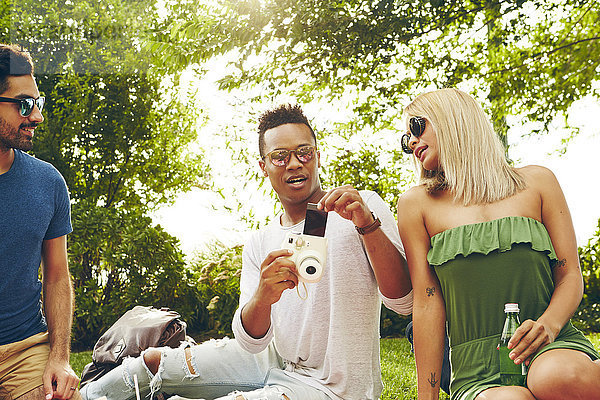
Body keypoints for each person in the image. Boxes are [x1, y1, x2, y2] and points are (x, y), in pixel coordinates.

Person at [81, 104, 413, 400]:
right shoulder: (261, 240)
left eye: (304, 152)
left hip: (333, 388)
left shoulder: (362, 207)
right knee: (154, 362)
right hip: (269, 357)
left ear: (318, 156)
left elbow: (404, 301)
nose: (294, 164)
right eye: (280, 156)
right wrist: (264, 296)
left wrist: (367, 226)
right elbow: (251, 340)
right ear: (264, 165)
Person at [396, 88, 600, 400]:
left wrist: (548, 325)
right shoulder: (416, 204)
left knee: (555, 376)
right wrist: (428, 397)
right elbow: (426, 303)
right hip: (478, 368)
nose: (411, 141)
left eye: (417, 127)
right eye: (405, 138)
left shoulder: (538, 182)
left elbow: (570, 273)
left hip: (551, 345)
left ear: (453, 120)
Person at [0, 44, 80, 399]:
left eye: (37, 103)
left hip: (23, 349)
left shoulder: (48, 183)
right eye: (23, 104)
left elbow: (57, 275)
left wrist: (59, 358)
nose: (36, 117)